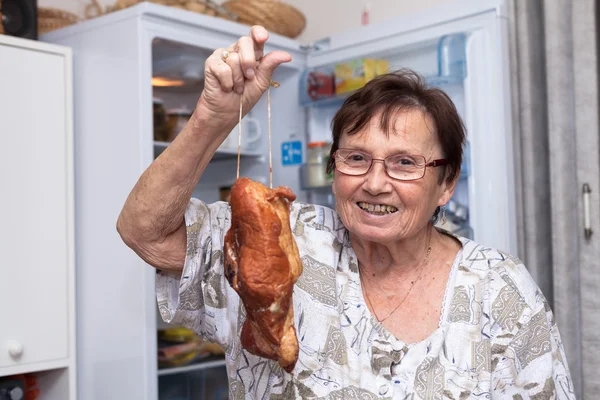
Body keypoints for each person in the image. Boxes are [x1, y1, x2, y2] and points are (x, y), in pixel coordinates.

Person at [117, 26, 575, 399]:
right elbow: (146, 234)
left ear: (447, 184)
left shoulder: (499, 291)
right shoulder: (279, 238)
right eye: (356, 158)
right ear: (334, 166)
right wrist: (212, 117)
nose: (375, 183)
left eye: (404, 163)